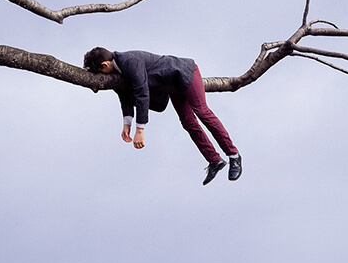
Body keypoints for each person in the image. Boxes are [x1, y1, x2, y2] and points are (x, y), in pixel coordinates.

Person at [84, 47, 242, 185]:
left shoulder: (129, 62)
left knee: (202, 112)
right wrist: (127, 123)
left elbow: (142, 94)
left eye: (100, 72)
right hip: (172, 86)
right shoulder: (118, 70)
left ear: (104, 65)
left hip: (185, 73)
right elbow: (124, 94)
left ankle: (234, 156)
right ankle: (215, 160)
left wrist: (140, 130)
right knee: (188, 123)